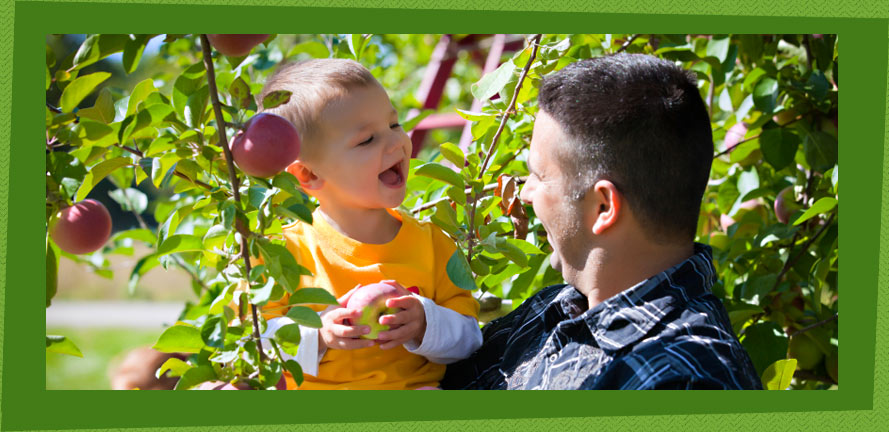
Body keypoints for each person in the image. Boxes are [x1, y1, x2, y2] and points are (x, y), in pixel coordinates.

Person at [441, 54, 762, 390]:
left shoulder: (686, 381)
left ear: (603, 207)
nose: (525, 193)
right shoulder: (552, 309)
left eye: (539, 175)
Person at [253, 59, 481, 390]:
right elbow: (257, 343)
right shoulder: (283, 254)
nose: (395, 143)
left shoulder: (433, 244)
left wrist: (424, 322)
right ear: (310, 174)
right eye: (366, 140)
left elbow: (470, 339)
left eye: (394, 124)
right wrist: (318, 335)